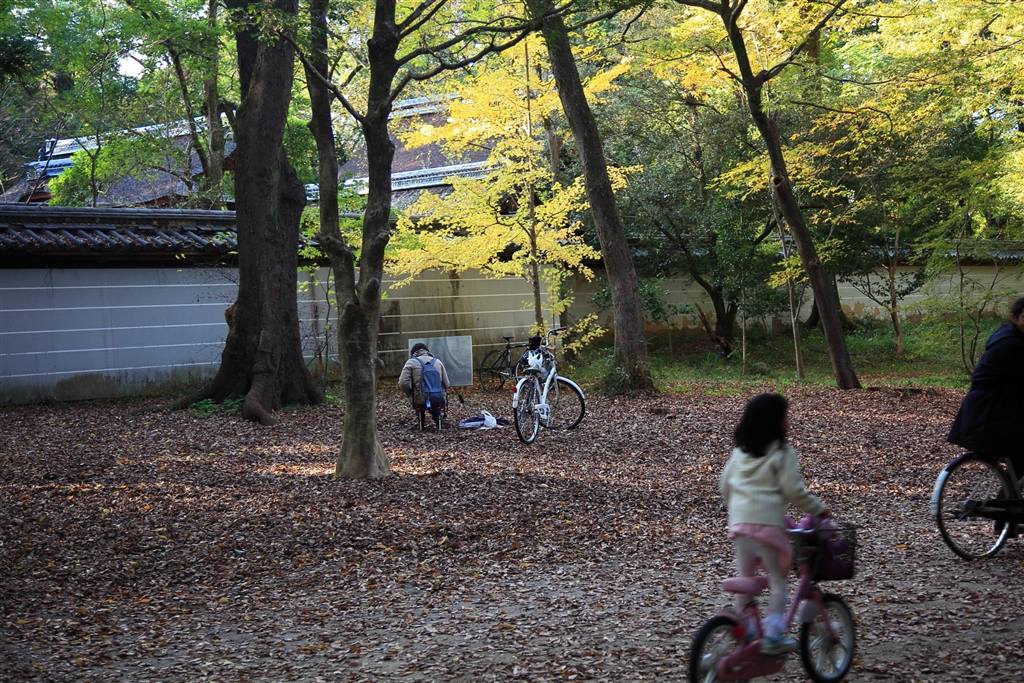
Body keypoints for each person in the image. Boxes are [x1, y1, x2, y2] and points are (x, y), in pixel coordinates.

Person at [719, 393, 829, 656]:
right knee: (779, 579)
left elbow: (724, 485)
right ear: (776, 422)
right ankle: (772, 635)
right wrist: (818, 510)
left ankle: (746, 627)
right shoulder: (782, 452)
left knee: (746, 579)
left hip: (740, 526)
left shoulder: (739, 452)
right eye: (785, 416)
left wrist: (739, 509)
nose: (788, 421)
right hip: (767, 526)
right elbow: (793, 490)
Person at [948, 296, 1024, 479]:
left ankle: (1010, 495)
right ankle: (1008, 497)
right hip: (993, 417)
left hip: (990, 411)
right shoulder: (1012, 344)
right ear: (1013, 318)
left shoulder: (1008, 335)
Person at [398, 343, 451, 428]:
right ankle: (437, 417)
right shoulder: (437, 361)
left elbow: (402, 383)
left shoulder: (411, 362)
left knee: (418, 398)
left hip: (419, 399)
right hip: (438, 398)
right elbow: (447, 384)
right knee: (434, 399)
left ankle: (420, 419)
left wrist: (410, 393)